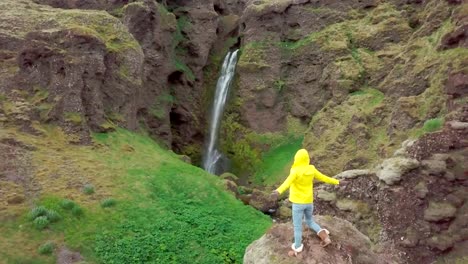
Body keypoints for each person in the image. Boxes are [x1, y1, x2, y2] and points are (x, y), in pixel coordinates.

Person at [271, 149, 343, 257]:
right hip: (309, 202)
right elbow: (324, 177)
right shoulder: (312, 169)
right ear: (307, 159)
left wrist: (278, 191)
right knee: (309, 221)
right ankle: (324, 236)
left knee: (297, 226)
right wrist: (337, 181)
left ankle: (297, 248)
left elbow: (287, 182)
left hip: (298, 204)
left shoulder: (295, 171)